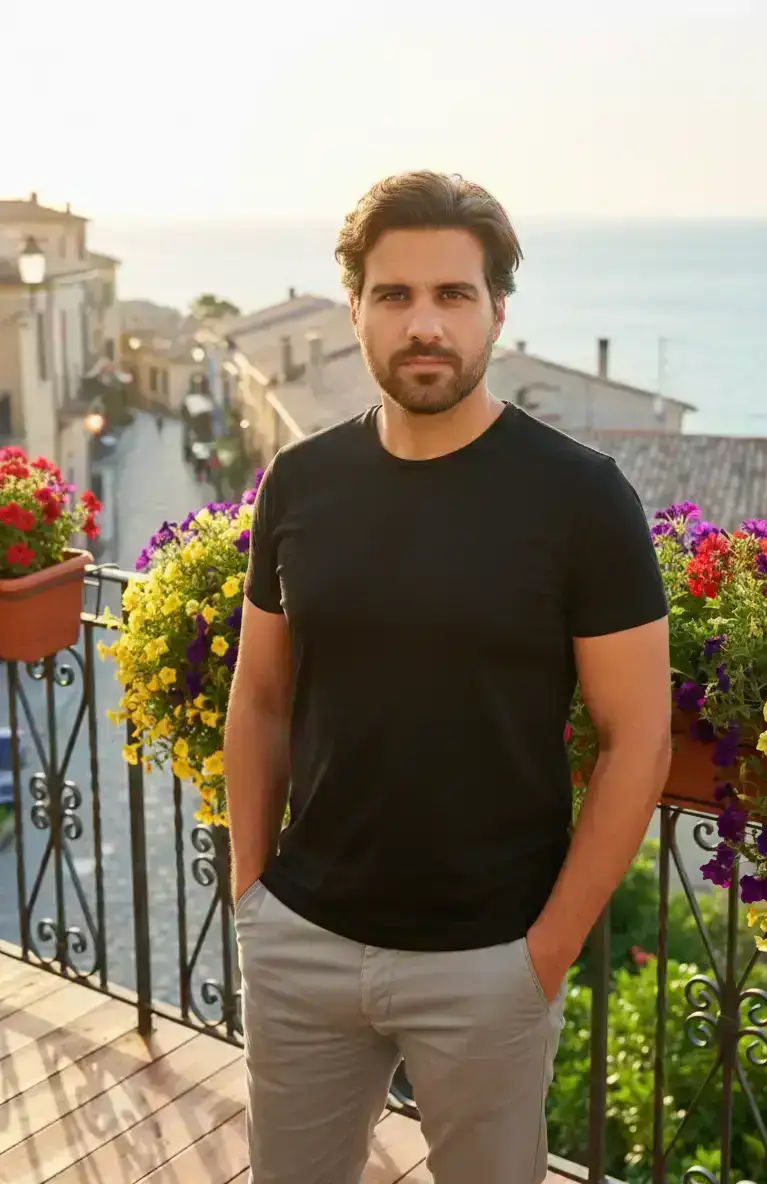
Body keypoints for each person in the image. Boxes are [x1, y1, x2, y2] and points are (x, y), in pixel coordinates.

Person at [225, 171, 672, 1184]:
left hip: (489, 961)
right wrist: (252, 892)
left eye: (453, 295)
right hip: (303, 939)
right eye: (395, 295)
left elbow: (637, 737)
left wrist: (543, 955)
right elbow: (258, 696)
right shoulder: (300, 481)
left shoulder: (584, 500)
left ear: (497, 313)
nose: (424, 324)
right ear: (356, 310)